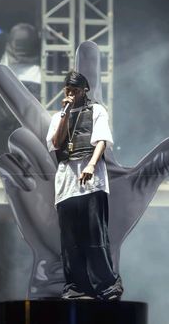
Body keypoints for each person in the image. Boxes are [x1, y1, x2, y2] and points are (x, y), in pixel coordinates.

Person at [46, 70, 123, 300]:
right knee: (70, 241)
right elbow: (56, 142)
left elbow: (101, 140)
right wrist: (65, 112)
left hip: (92, 182)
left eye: (74, 90)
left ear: (83, 91)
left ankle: (106, 286)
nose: (70, 94)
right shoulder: (57, 116)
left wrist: (90, 165)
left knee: (94, 237)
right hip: (66, 183)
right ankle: (76, 288)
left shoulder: (96, 110)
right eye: (67, 90)